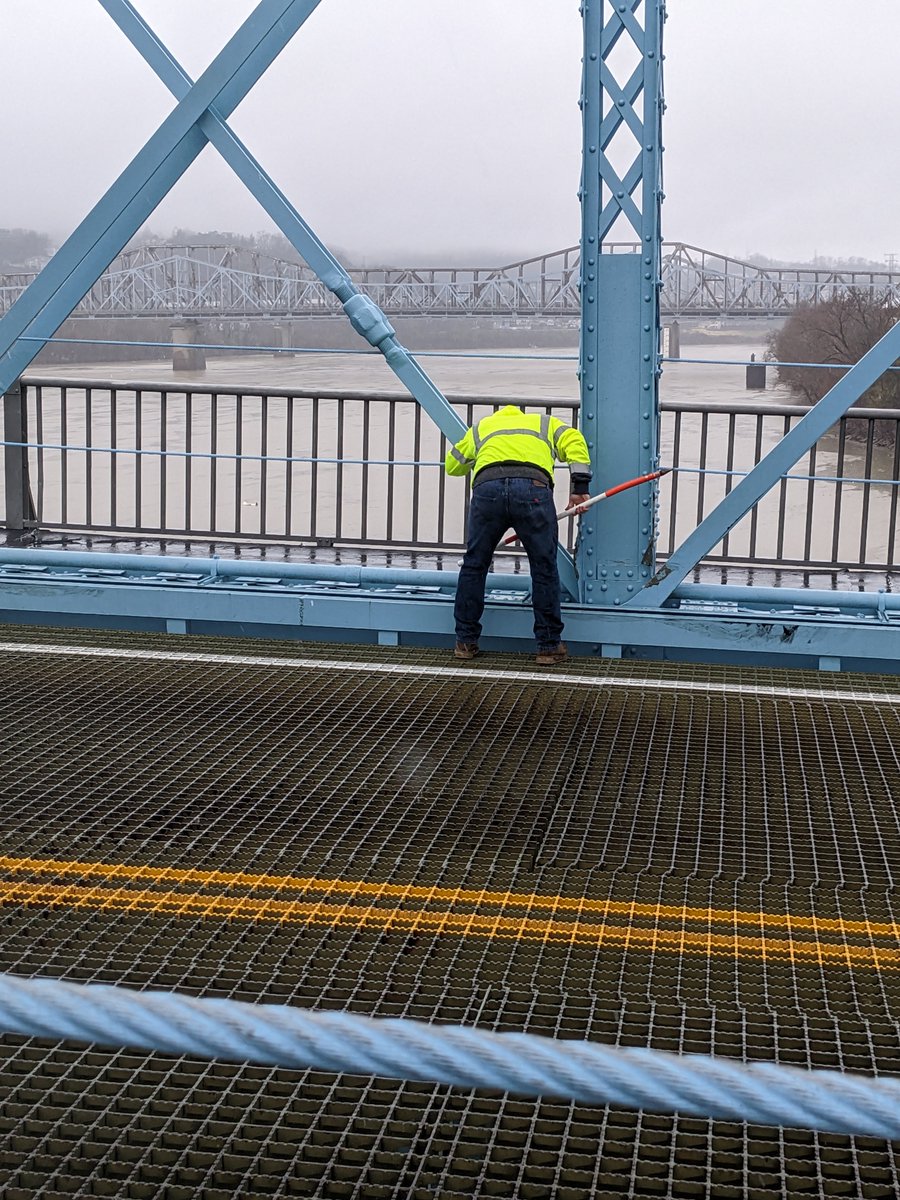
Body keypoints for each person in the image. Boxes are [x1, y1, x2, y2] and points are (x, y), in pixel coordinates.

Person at [445, 404, 592, 665]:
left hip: (487, 488)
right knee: (543, 566)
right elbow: (574, 440)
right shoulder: (544, 423)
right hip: (533, 488)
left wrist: (475, 456)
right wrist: (579, 485)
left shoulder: (482, 428)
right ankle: (548, 646)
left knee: (475, 565)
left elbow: (453, 465)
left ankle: (465, 642)